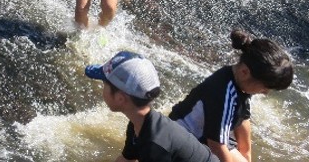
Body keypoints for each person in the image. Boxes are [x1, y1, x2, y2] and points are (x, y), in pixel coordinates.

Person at [169, 29, 294, 162]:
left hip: (206, 136)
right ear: (245, 71)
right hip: (182, 139)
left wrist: (246, 156)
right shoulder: (223, 94)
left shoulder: (240, 84)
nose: (266, 92)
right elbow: (216, 146)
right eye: (265, 87)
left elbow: (243, 119)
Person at [86, 51, 220, 162]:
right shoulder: (139, 124)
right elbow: (126, 160)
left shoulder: (155, 146)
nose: (102, 89)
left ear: (120, 98)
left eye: (105, 84)